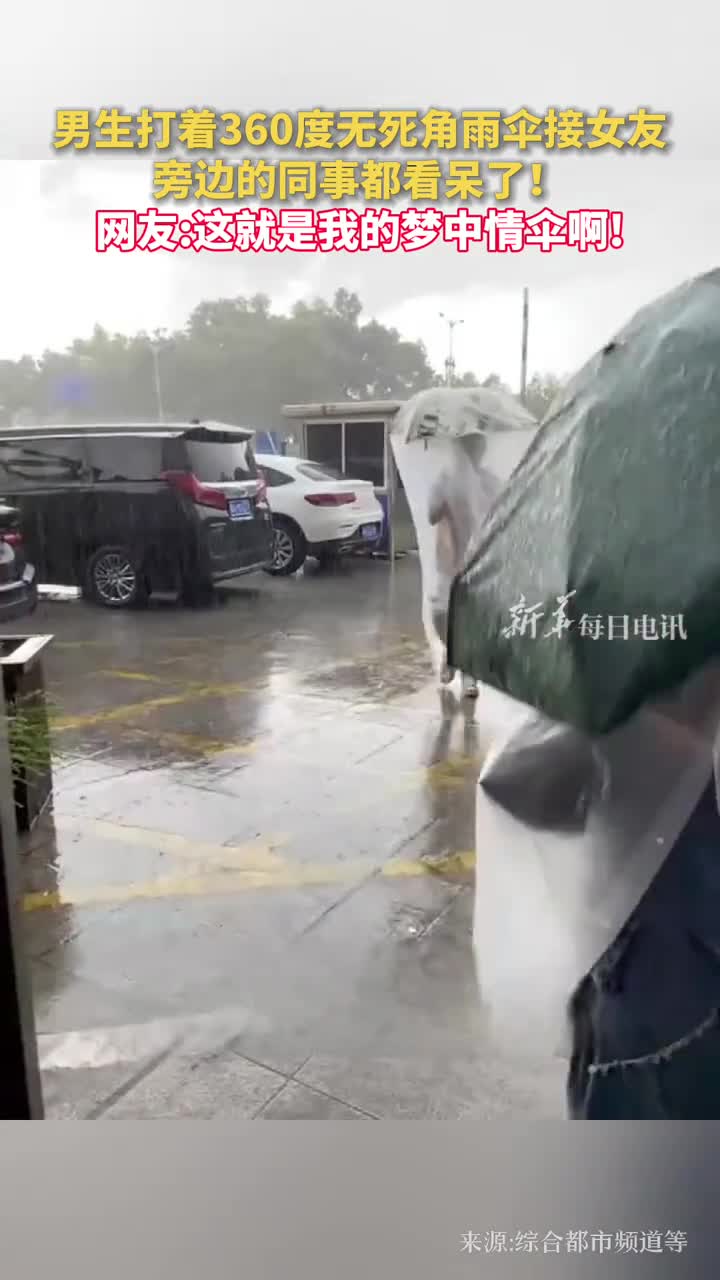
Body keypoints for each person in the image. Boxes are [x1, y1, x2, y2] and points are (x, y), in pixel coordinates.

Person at [426, 434, 500, 700]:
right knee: (441, 614)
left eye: (478, 449)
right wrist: (444, 506)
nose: (474, 454)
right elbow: (431, 515)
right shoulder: (445, 480)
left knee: (472, 617)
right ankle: (450, 653)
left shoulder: (489, 481)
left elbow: (501, 513)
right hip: (449, 558)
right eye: (469, 449)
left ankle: (470, 675)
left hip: (479, 561)